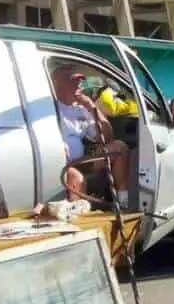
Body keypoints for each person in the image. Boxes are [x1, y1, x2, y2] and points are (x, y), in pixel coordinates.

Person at [51, 65, 130, 205]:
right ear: (57, 83)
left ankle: (123, 202)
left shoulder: (82, 108)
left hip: (80, 160)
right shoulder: (50, 106)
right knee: (77, 178)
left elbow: (107, 137)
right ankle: (77, 216)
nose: (79, 85)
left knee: (119, 147)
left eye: (79, 81)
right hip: (58, 162)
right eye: (73, 81)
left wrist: (92, 108)